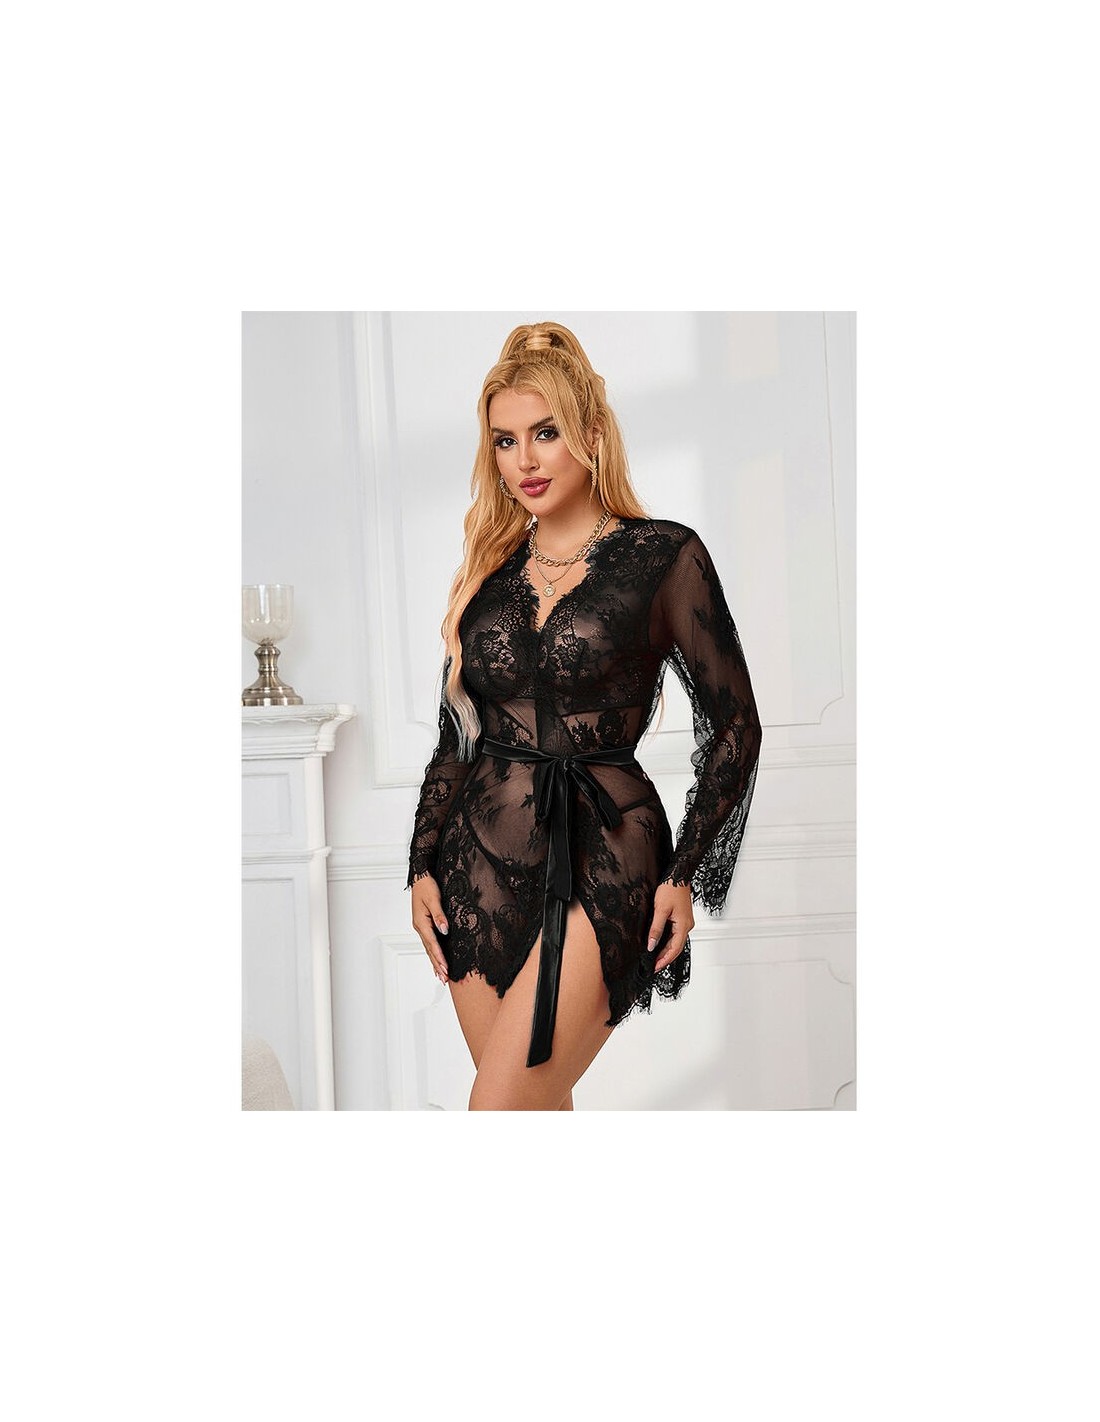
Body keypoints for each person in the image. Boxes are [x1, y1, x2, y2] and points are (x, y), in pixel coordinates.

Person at [406, 321, 762, 1111]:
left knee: (499, 1109)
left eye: (546, 433)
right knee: (530, 1111)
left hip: (604, 854)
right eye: (505, 441)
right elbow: (457, 736)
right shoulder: (489, 573)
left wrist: (684, 874)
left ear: (592, 435)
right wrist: (421, 864)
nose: (525, 461)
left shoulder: (662, 556)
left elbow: (736, 726)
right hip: (476, 866)